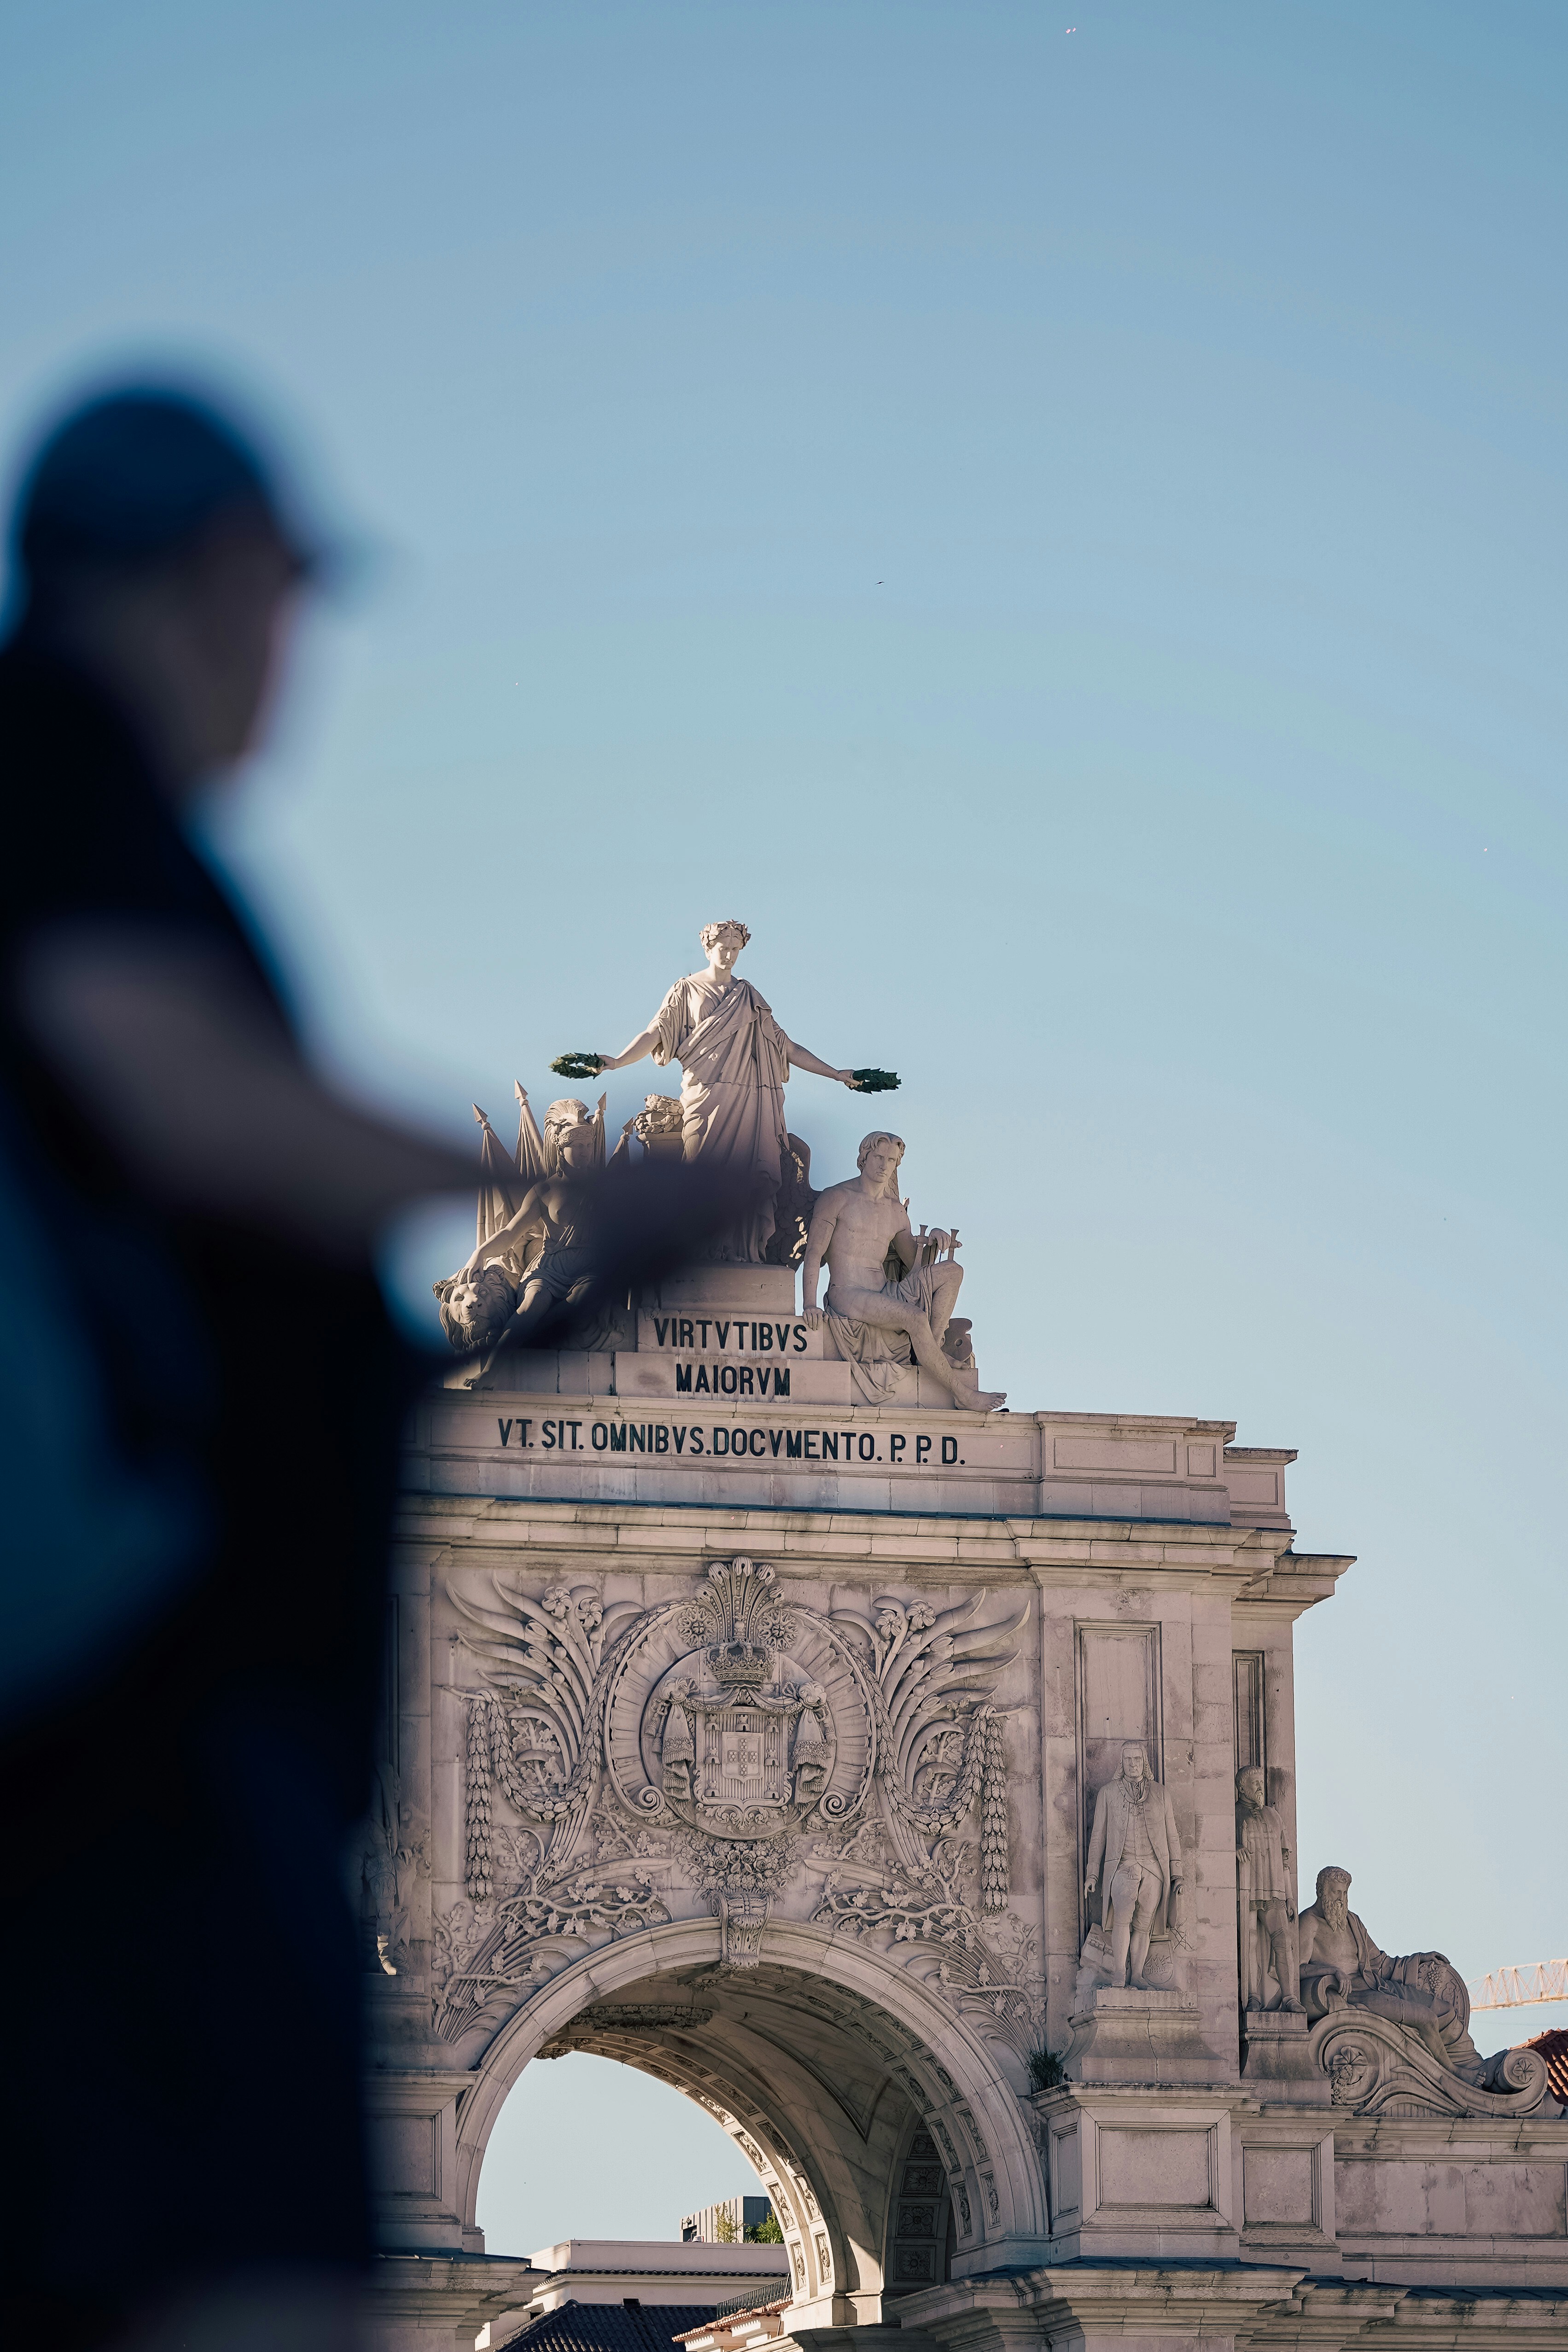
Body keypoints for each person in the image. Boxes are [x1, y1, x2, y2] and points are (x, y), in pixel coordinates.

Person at [0, 383, 483, 2352]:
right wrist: (539, 1183)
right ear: (220, 574)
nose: (293, 659)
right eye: (288, 595)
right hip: (146, 1742)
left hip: (183, 1728)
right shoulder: (50, 750)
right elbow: (187, 1104)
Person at [591, 918, 858, 1261]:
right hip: (705, 1098)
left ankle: (748, 1254)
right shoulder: (685, 990)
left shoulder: (749, 997)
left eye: (736, 949)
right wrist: (616, 1061)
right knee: (703, 1172)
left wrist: (836, 1074)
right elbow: (655, 1033)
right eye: (723, 948)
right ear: (708, 948)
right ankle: (702, 1251)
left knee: (753, 1179)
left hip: (749, 1098)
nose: (730, 955)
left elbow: (786, 1047)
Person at [801, 1131, 1004, 1411]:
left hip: (885, 1291)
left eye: (892, 1161)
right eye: (879, 1158)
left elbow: (917, 1264)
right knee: (915, 1317)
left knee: (952, 1272)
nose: (885, 1166)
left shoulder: (896, 1211)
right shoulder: (836, 1198)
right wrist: (810, 1304)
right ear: (864, 1158)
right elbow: (813, 1253)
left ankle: (932, 1346)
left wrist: (935, 1239)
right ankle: (962, 1393)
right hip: (847, 1293)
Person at [1083, 1741, 1184, 1991]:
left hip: (1154, 1869)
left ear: (1144, 1762)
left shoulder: (1161, 1794)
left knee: (1144, 1924)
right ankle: (1119, 1971)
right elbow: (1098, 1836)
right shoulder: (1108, 1793)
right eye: (1128, 1760)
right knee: (1122, 1918)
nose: (1132, 1764)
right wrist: (1092, 1873)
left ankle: (1137, 1975)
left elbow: (1173, 1836)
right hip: (1122, 1865)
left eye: (1137, 1759)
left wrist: (1177, 1873)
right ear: (1122, 1762)